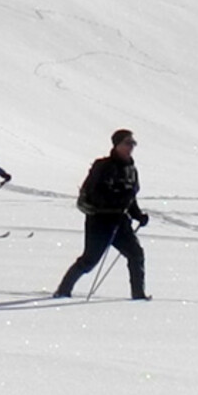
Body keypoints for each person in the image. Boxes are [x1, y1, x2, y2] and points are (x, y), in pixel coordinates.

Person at [54, 128, 149, 300]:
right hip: (100, 221)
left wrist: (138, 215)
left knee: (136, 254)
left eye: (132, 143)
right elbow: (95, 193)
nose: (131, 147)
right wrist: (117, 200)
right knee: (89, 261)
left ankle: (138, 296)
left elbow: (130, 198)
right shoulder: (103, 166)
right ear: (117, 145)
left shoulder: (131, 169)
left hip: (121, 222)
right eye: (127, 143)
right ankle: (63, 290)